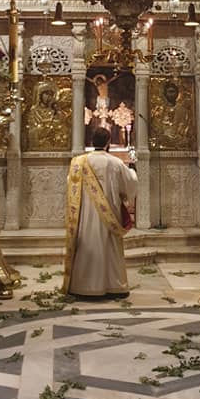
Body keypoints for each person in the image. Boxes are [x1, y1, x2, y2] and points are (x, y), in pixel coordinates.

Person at [62, 127, 137, 297]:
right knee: (110, 247)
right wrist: (132, 171)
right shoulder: (115, 162)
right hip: (109, 213)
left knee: (87, 245)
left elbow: (70, 184)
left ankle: (82, 286)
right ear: (108, 142)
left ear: (91, 141)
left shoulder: (79, 162)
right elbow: (130, 183)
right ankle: (113, 286)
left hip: (85, 214)